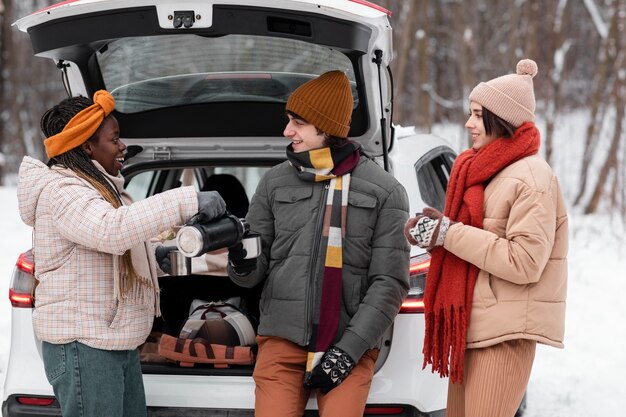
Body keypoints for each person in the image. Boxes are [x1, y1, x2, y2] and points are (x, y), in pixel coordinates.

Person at [16, 90, 227, 417]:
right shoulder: (62, 190)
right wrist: (187, 201)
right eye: (114, 138)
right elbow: (111, 231)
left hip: (113, 341)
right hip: (83, 346)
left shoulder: (96, 190)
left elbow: (114, 243)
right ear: (88, 146)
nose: (122, 145)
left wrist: (153, 258)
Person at [226, 70, 410, 417]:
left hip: (349, 344)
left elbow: (390, 283)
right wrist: (241, 260)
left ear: (325, 128)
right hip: (282, 341)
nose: (287, 131)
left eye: (298, 122)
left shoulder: (385, 191)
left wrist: (349, 351)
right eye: (288, 121)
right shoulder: (275, 182)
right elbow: (251, 275)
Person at [404, 59, 568, 417]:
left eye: (478, 115)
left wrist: (448, 233)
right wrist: (433, 230)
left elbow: (525, 262)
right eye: (470, 113)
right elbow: (472, 237)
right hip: (474, 327)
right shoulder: (479, 170)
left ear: (502, 119)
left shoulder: (532, 178)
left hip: (505, 333)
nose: (468, 123)